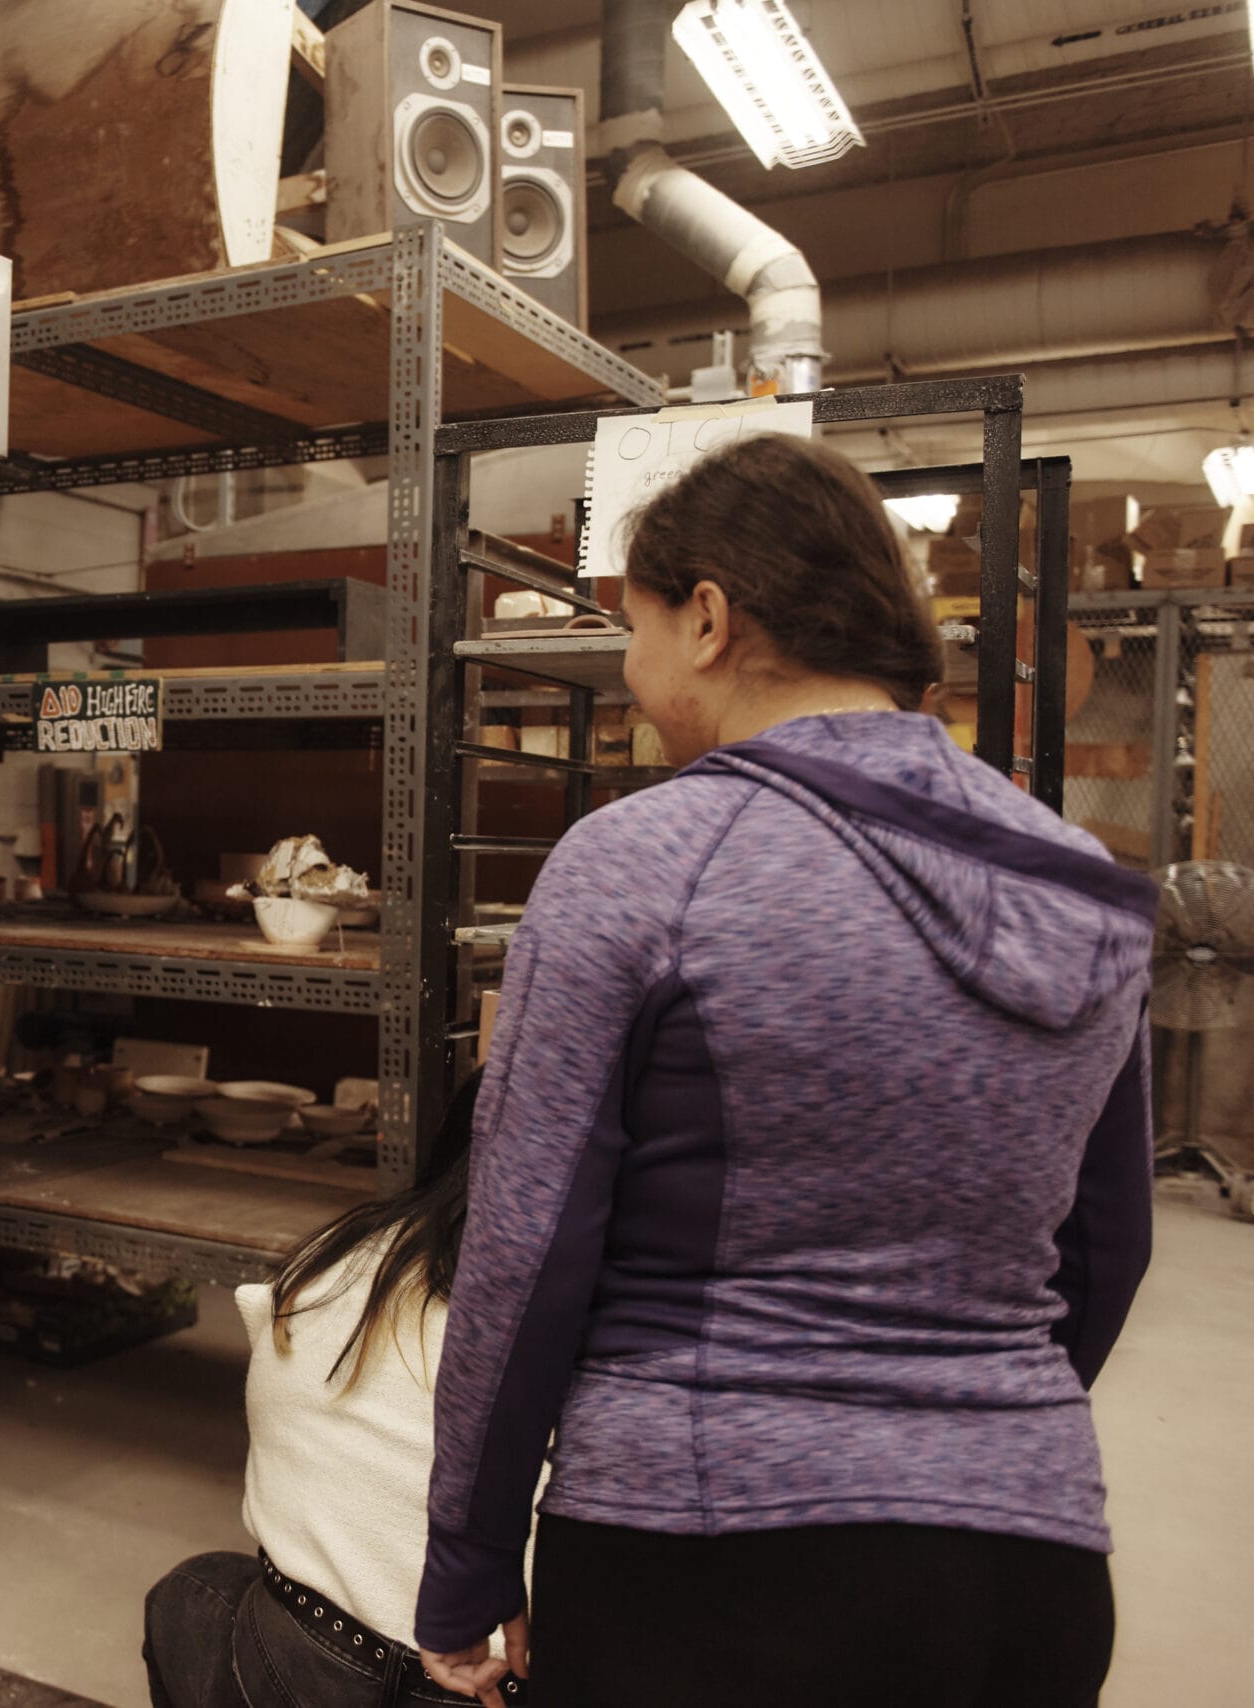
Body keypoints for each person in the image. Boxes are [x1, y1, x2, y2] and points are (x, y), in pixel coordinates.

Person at [415, 435, 1156, 1708]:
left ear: (706, 617)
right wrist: (961, 1452)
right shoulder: (1079, 883)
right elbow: (1108, 1245)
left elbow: (526, 1253)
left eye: (631, 627)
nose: (632, 671)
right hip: (1024, 1571)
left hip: (701, 1567)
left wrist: (468, 1561)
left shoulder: (642, 863)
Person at [144, 1070, 517, 1708]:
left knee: (192, 1592)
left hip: (308, 1651)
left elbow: (274, 1375)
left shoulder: (342, 1254)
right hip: (500, 1678)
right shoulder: (618, 1305)